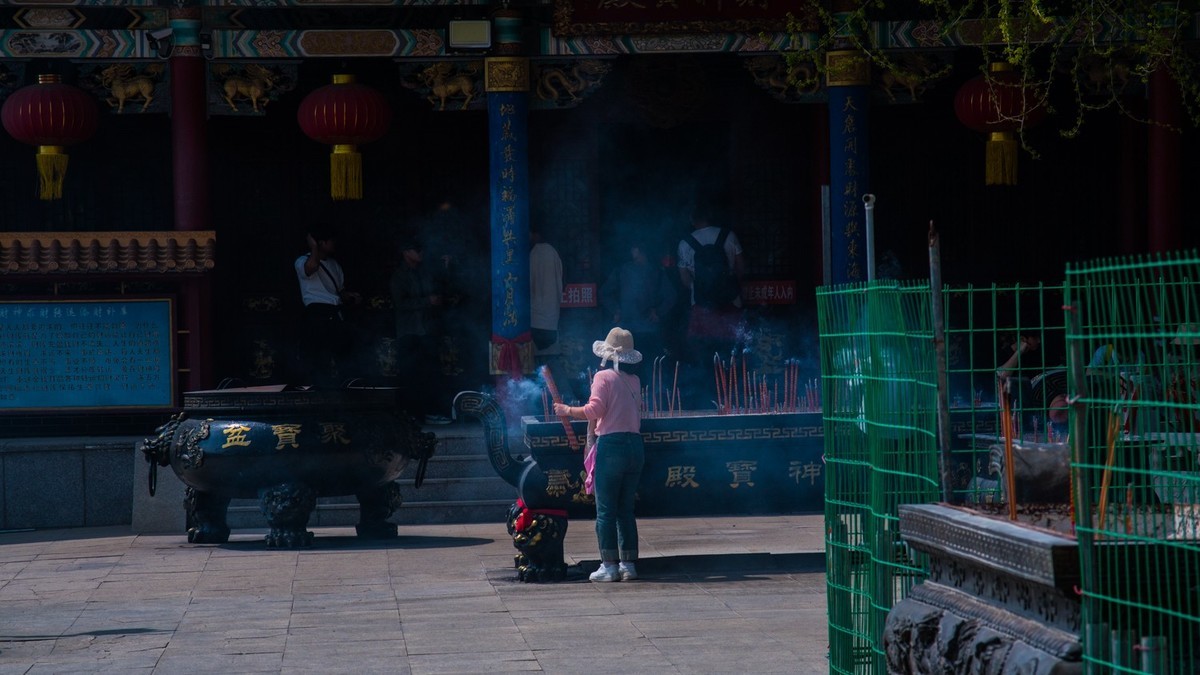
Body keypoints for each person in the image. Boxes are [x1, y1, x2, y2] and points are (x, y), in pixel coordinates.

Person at [553, 327, 644, 583]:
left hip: (612, 445)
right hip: (635, 446)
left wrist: (566, 409)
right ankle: (628, 564)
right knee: (625, 510)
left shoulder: (603, 377)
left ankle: (609, 565)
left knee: (605, 511)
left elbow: (595, 410)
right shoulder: (634, 381)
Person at [677, 202, 745, 407]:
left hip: (701, 309)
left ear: (692, 220)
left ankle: (707, 401)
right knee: (731, 354)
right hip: (730, 306)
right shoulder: (729, 236)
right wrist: (729, 286)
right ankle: (733, 400)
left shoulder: (685, 243)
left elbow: (685, 281)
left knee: (704, 358)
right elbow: (742, 268)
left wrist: (702, 289)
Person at [389, 236, 450, 424]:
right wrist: (426, 301)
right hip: (409, 332)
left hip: (426, 331)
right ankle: (411, 415)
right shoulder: (399, 275)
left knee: (430, 374)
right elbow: (400, 303)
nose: (421, 253)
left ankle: (431, 412)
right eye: (417, 249)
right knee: (410, 375)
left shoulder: (424, 273)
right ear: (406, 252)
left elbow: (438, 290)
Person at [294, 223, 360, 387]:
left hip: (335, 313)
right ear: (322, 243)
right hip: (316, 313)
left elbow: (340, 292)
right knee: (317, 356)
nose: (334, 244)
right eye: (330, 241)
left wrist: (350, 296)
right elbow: (312, 267)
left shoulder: (335, 265)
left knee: (340, 354)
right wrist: (313, 247)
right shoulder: (302, 261)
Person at [600, 239, 676, 364]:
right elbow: (605, 293)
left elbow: (671, 296)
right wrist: (616, 310)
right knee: (636, 366)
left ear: (639, 251)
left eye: (634, 249)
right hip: (628, 329)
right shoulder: (623, 270)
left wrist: (658, 312)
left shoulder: (656, 271)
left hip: (645, 329)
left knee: (642, 365)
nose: (632, 251)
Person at [530, 227, 564, 359]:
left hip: (535, 319)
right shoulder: (554, 253)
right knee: (551, 362)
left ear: (536, 234)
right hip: (551, 319)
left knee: (537, 367)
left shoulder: (533, 253)